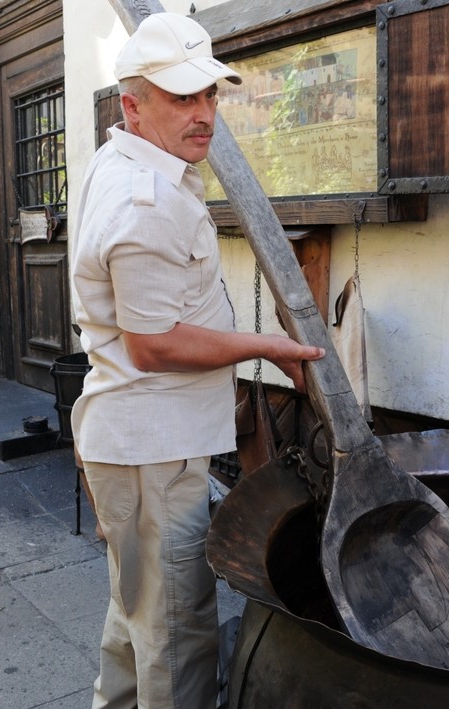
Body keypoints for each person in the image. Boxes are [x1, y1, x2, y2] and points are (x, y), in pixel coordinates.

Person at [70, 12, 325, 709]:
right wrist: (269, 347)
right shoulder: (142, 198)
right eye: (182, 98)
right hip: (154, 451)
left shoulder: (127, 158)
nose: (204, 114)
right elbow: (155, 342)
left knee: (136, 621)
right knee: (178, 644)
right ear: (133, 105)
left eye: (210, 95)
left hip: (134, 442)